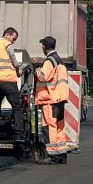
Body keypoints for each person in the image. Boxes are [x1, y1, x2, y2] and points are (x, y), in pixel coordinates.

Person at [0, 27, 29, 147]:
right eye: (13, 38)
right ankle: (19, 136)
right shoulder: (7, 44)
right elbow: (14, 62)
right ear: (7, 35)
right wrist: (19, 70)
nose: (13, 42)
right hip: (8, 81)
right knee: (17, 108)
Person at [34, 36, 69, 164]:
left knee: (49, 127)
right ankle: (62, 155)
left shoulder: (49, 61)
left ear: (44, 46)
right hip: (59, 98)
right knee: (59, 127)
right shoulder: (58, 60)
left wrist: (36, 68)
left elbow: (43, 77)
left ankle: (53, 156)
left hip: (50, 99)